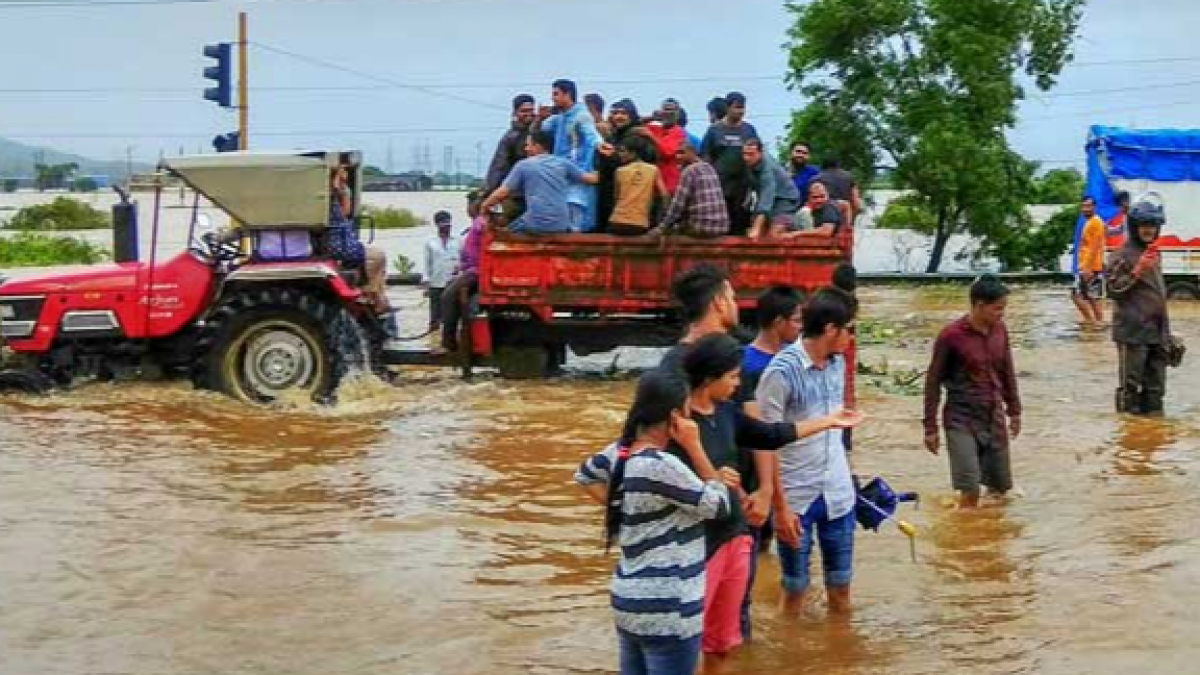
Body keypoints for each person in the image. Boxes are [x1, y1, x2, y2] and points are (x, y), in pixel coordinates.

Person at [676, 334, 861, 665]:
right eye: (733, 377)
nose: (738, 384)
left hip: (734, 534)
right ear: (709, 378)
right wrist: (710, 476)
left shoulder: (727, 413)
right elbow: (653, 472)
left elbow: (772, 435)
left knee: (722, 643)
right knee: (686, 638)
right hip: (696, 544)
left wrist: (829, 421)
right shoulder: (676, 423)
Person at [574, 369, 733, 675]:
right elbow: (721, 507)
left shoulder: (621, 452)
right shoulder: (661, 466)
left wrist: (624, 507)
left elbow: (585, 475)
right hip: (668, 608)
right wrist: (696, 448)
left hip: (629, 602)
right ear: (675, 416)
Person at [756, 288, 864, 615]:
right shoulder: (780, 372)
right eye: (850, 329)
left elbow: (834, 426)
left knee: (841, 589)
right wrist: (780, 508)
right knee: (794, 592)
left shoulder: (837, 363)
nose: (852, 337)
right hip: (796, 496)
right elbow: (766, 441)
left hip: (838, 494)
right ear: (831, 329)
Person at [922, 275, 1022, 508]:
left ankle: (988, 540)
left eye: (1004, 309)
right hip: (961, 418)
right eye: (997, 309)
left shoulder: (1000, 331)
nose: (1001, 314)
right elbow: (933, 382)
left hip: (993, 416)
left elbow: (1007, 371)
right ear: (979, 305)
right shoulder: (951, 336)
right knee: (969, 488)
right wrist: (930, 427)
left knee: (1000, 491)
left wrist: (1014, 411)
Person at [1107, 199, 1172, 416]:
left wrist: (1168, 334)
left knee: (1156, 390)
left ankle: (1150, 438)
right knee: (1130, 389)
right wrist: (1137, 270)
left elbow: (1157, 295)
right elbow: (1112, 291)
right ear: (1134, 227)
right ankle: (1128, 437)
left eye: (1153, 225)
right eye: (1144, 225)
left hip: (1157, 332)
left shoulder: (1155, 253)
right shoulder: (1120, 255)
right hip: (1132, 333)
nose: (1148, 230)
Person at [479, 130, 600, 235]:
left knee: (505, 234)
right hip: (561, 225)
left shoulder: (524, 165)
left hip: (535, 224)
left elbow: (502, 192)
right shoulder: (563, 163)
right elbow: (592, 179)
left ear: (538, 146)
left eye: (528, 145)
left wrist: (484, 206)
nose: (526, 149)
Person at [541, 79, 603, 232]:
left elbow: (592, 135)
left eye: (556, 94)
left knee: (576, 222)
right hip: (563, 178)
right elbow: (545, 127)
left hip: (579, 178)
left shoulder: (582, 116)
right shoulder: (561, 117)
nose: (553, 98)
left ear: (567, 94)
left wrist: (601, 145)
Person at [659, 263, 739, 373]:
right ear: (719, 302)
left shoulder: (671, 365)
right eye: (732, 298)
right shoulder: (733, 361)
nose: (735, 305)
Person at [702, 92, 760, 235]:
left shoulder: (749, 130)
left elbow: (758, 154)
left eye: (742, 108)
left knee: (739, 222)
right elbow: (705, 157)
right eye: (737, 107)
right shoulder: (714, 130)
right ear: (728, 108)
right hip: (719, 185)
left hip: (742, 186)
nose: (740, 111)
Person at [439, 192, 486, 354]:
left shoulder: (481, 222)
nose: (467, 208)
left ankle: (449, 342)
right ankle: (460, 336)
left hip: (477, 271)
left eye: (469, 204)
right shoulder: (476, 224)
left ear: (475, 206)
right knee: (452, 291)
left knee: (447, 297)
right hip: (471, 270)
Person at [596, 99, 653, 230]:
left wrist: (613, 156)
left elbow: (643, 164)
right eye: (615, 113)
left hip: (631, 199)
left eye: (623, 113)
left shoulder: (639, 136)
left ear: (631, 115)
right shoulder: (612, 137)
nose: (618, 117)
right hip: (608, 195)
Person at [658, 143, 730, 239]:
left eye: (682, 153)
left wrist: (661, 228)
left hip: (702, 227)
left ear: (692, 153)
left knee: (670, 231)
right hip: (722, 226)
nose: (678, 157)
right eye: (676, 153)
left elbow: (677, 206)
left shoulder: (689, 171)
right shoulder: (710, 167)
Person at [743, 139, 801, 240]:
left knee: (773, 233)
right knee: (756, 228)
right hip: (770, 199)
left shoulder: (767, 168)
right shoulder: (750, 164)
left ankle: (796, 227)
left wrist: (756, 228)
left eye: (751, 154)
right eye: (744, 154)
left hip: (785, 199)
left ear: (760, 153)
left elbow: (767, 196)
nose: (746, 158)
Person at [609, 137, 667, 236]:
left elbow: (616, 198)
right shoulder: (653, 170)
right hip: (640, 224)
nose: (619, 154)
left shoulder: (619, 171)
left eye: (623, 151)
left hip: (617, 222)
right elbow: (664, 195)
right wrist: (661, 218)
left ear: (633, 153)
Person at [484, 94, 536, 195]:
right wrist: (488, 191)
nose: (529, 114)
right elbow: (499, 166)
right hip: (517, 191)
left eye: (531, 110)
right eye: (524, 111)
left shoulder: (542, 130)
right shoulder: (510, 137)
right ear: (515, 113)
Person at [423, 211, 461, 332]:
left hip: (452, 282)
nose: (446, 227)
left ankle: (447, 336)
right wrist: (426, 280)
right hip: (436, 282)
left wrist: (459, 269)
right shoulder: (430, 242)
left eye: (448, 224)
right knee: (434, 314)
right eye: (443, 224)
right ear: (437, 225)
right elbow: (427, 262)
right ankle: (434, 334)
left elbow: (463, 259)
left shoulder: (458, 240)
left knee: (450, 313)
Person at [1073, 195, 1107, 328]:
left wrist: (1087, 268)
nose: (1085, 209)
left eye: (1088, 206)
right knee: (1092, 297)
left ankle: (1092, 321)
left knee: (1077, 295)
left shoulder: (1096, 222)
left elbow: (1095, 246)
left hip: (1091, 267)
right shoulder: (1090, 222)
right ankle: (1097, 323)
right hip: (1089, 266)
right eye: (1083, 206)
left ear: (1094, 207)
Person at [645, 98, 689, 194]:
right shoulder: (653, 127)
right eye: (665, 109)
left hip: (669, 185)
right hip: (651, 183)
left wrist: (650, 136)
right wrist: (649, 118)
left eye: (671, 110)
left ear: (677, 114)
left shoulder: (678, 132)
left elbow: (666, 152)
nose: (668, 112)